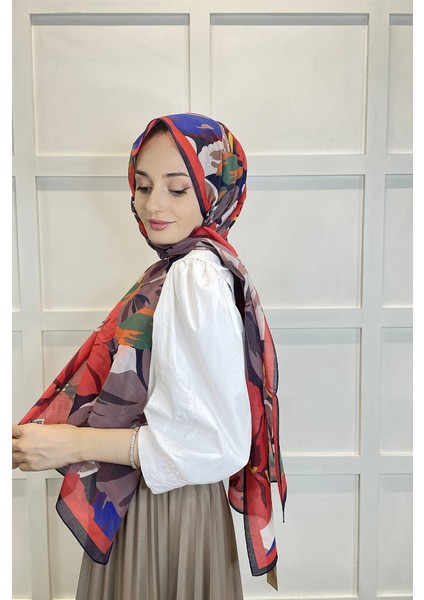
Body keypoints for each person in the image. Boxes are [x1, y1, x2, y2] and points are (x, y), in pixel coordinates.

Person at [12, 113, 287, 600]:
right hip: (165, 501)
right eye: (143, 186)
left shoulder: (194, 275)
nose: (153, 204)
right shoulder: (187, 266)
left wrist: (72, 443)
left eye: (177, 189)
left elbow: (215, 444)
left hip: (164, 511)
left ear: (214, 193)